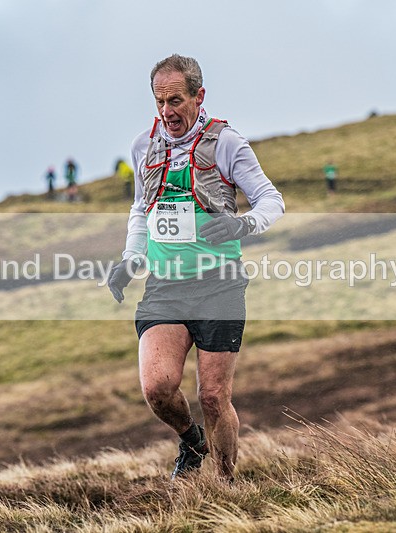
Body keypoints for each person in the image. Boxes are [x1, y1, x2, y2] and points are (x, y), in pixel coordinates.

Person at [107, 54, 284, 481]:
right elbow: (140, 208)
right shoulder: (142, 146)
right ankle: (191, 441)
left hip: (219, 285)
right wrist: (132, 258)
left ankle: (226, 485)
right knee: (157, 388)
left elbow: (272, 201)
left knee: (213, 397)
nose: (167, 112)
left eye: (176, 101)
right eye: (159, 102)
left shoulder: (227, 143)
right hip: (165, 286)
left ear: (199, 96)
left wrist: (241, 223)